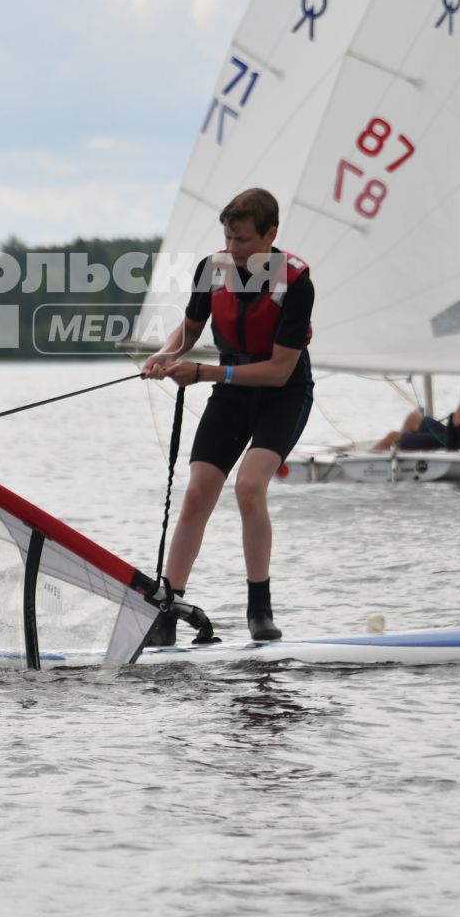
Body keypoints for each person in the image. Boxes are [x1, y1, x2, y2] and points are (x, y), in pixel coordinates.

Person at [141, 187, 313, 643]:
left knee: (250, 487)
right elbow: (191, 329)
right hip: (231, 393)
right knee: (198, 493)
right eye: (228, 238)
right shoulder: (213, 270)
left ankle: (259, 608)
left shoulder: (295, 283)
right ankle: (168, 610)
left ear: (271, 235)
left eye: (242, 240)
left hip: (283, 394)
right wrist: (163, 356)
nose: (232, 249)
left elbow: (278, 372)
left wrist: (201, 372)